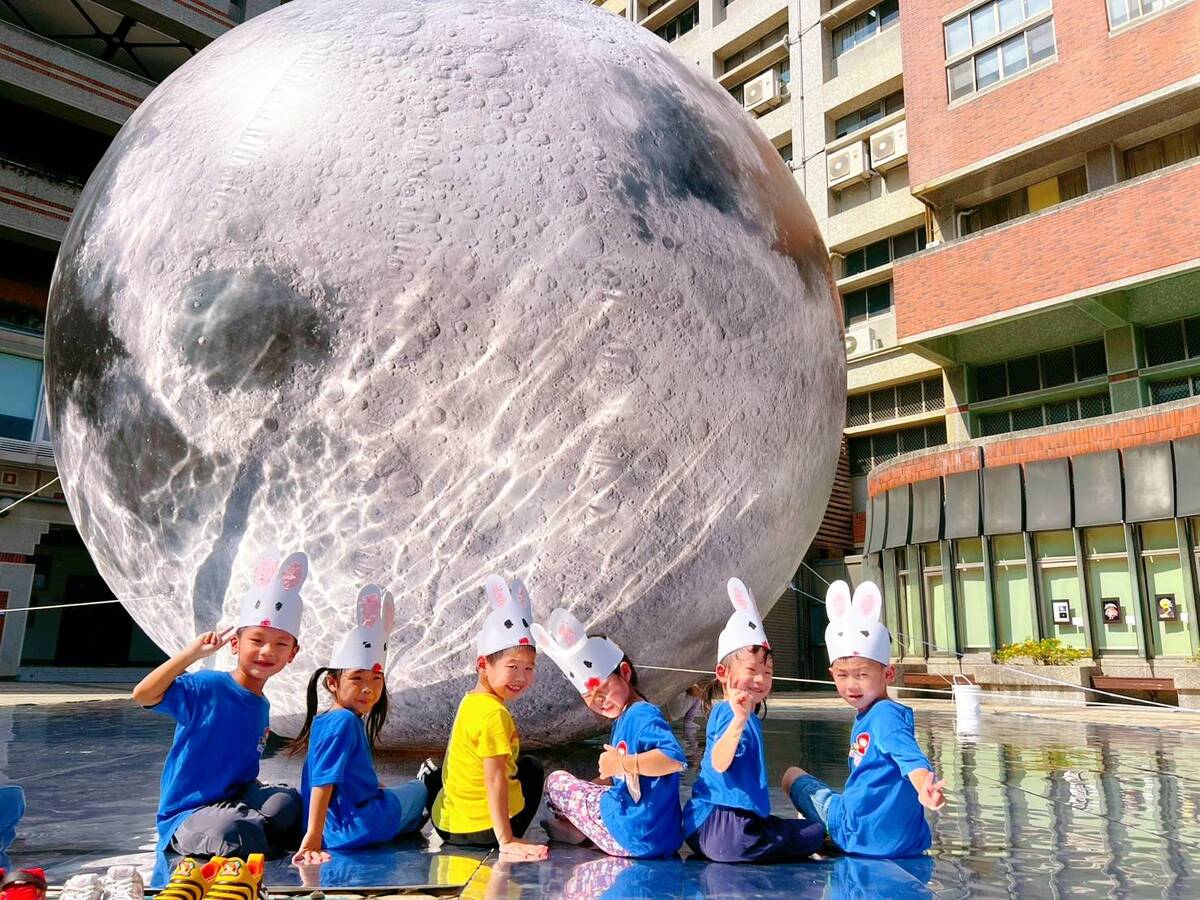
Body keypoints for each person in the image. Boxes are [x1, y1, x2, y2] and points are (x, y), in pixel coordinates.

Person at [131, 549, 308, 857]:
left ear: (292, 654)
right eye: (257, 640)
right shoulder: (208, 686)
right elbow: (143, 694)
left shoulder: (262, 704)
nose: (268, 651)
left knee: (289, 804)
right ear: (235, 644)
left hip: (237, 797)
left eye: (280, 644)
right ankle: (242, 829)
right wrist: (192, 654)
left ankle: (250, 825)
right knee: (233, 829)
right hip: (190, 810)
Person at [783, 580, 947, 858]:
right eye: (842, 676)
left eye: (861, 675)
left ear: (888, 674)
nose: (852, 686)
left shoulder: (884, 716)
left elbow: (911, 759)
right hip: (903, 843)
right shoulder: (877, 713)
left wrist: (924, 785)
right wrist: (924, 790)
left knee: (791, 776)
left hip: (854, 830)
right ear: (832, 675)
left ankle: (819, 832)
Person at [681, 578, 824, 864]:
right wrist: (738, 722)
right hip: (730, 833)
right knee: (813, 832)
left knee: (783, 828)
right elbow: (719, 762)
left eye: (768, 672)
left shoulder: (724, 711)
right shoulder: (732, 714)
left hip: (697, 825)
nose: (761, 679)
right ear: (723, 673)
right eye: (752, 670)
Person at [291, 585, 428, 863]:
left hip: (338, 827)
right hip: (355, 829)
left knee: (400, 796)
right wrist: (313, 837)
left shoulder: (327, 720)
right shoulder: (344, 721)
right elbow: (323, 781)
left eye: (376, 680)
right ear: (332, 682)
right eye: (357, 679)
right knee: (419, 790)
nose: (368, 689)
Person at [534, 609, 686, 858]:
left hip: (634, 832)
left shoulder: (642, 714)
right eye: (588, 696)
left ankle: (578, 831)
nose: (599, 701)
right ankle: (577, 827)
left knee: (555, 782)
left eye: (603, 689)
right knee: (579, 790)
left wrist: (624, 763)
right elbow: (616, 778)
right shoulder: (625, 717)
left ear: (625, 673)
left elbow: (673, 760)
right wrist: (588, 788)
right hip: (659, 839)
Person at [421, 575, 548, 860]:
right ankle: (507, 832)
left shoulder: (470, 701)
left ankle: (427, 777)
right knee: (531, 768)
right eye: (512, 667)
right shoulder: (494, 714)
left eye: (529, 668)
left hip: (449, 829)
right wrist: (506, 840)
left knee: (437, 773)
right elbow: (495, 779)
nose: (521, 678)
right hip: (488, 832)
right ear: (483, 664)